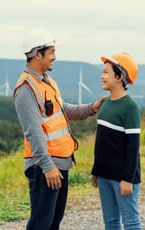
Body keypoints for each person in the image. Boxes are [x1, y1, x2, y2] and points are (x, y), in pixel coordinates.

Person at [13, 28, 105, 230]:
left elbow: (62, 110)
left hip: (60, 164)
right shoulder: (26, 89)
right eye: (52, 52)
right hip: (45, 167)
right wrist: (47, 167)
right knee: (41, 223)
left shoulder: (47, 82)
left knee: (53, 222)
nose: (55, 57)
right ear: (38, 53)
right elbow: (33, 132)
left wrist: (91, 109)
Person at [91, 52, 141, 230]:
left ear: (119, 76)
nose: (101, 76)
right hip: (104, 175)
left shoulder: (130, 107)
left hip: (123, 179)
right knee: (110, 222)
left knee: (130, 221)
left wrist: (127, 179)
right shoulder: (105, 104)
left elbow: (133, 147)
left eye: (106, 72)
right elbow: (101, 143)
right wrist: (96, 171)